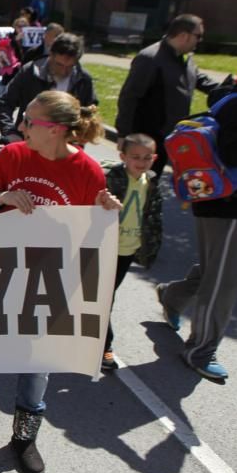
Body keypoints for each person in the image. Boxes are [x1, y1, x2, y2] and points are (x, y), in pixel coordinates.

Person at [0, 89, 121, 473]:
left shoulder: (88, 172)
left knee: (40, 357)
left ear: (54, 130)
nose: (22, 127)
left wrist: (106, 212)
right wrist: (4, 195)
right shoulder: (12, 155)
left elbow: (92, 234)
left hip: (48, 278)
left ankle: (24, 436)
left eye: (29, 121)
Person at [157, 84, 237, 382]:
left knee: (218, 272)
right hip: (228, 208)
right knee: (224, 281)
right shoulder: (236, 105)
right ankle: (201, 351)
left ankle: (173, 296)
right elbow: (232, 154)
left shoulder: (230, 97)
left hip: (218, 201)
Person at [116, 14, 218, 176]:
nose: (200, 41)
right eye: (198, 36)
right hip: (144, 139)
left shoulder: (184, 58)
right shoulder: (150, 58)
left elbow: (201, 80)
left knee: (151, 186)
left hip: (167, 138)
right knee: (136, 186)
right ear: (184, 35)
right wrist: (123, 133)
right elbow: (129, 97)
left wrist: (231, 88)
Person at [102, 133, 162, 371]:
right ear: (122, 156)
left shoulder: (152, 182)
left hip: (127, 250)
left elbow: (154, 217)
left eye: (147, 157)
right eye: (135, 157)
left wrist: (150, 247)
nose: (142, 161)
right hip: (105, 247)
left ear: (155, 158)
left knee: (104, 296)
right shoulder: (112, 179)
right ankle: (104, 346)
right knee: (104, 298)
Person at [0, 33, 97, 142]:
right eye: (59, 65)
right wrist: (10, 132)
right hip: (29, 141)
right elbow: (5, 102)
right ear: (51, 55)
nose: (64, 71)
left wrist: (79, 136)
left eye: (69, 67)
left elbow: (89, 112)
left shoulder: (83, 79)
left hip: (66, 147)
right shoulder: (31, 72)